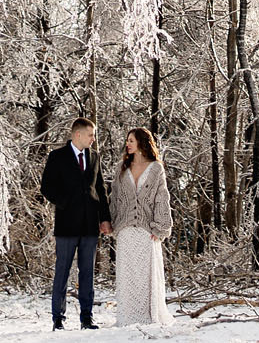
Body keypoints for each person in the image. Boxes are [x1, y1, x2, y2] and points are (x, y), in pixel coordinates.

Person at [38, 117, 111, 330]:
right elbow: (47, 187)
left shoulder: (95, 156)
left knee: (87, 273)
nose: (93, 139)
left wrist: (104, 218)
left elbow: (100, 189)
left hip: (90, 225)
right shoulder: (57, 156)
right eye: (90, 135)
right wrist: (66, 203)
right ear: (77, 134)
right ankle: (58, 318)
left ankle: (87, 318)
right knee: (62, 271)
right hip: (67, 224)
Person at [109, 127, 173, 326]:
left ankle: (147, 315)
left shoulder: (156, 169)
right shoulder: (121, 168)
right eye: (127, 140)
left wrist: (160, 227)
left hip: (147, 230)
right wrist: (111, 222)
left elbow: (162, 198)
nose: (127, 144)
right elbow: (115, 198)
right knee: (127, 275)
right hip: (125, 229)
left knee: (146, 276)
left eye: (131, 140)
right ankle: (128, 316)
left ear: (141, 143)